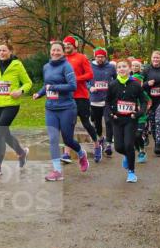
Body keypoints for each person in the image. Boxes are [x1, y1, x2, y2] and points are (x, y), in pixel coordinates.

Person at [33, 40, 88, 181]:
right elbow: (46, 85)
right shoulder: (46, 67)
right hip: (51, 108)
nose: (55, 52)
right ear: (50, 51)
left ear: (63, 52)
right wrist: (39, 93)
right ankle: (57, 171)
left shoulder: (66, 66)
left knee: (68, 140)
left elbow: (72, 86)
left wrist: (54, 88)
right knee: (53, 139)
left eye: (58, 50)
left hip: (66, 108)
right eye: (53, 50)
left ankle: (81, 154)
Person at [0, 42, 32, 176]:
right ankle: (21, 153)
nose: (1, 53)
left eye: (4, 50)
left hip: (11, 104)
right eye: (0, 50)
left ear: (10, 51)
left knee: (0, 133)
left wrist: (20, 91)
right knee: (5, 134)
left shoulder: (17, 65)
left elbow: (28, 83)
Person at [106, 59, 148, 183]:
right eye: (119, 67)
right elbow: (107, 101)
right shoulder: (113, 85)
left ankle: (131, 172)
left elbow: (144, 101)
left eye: (124, 66)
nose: (121, 69)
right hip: (117, 120)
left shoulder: (135, 85)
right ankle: (127, 155)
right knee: (119, 147)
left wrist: (139, 113)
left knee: (129, 145)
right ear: (117, 70)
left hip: (131, 119)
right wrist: (110, 114)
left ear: (129, 69)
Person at [60, 35, 98, 164]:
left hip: (81, 96)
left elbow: (90, 75)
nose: (66, 47)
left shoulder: (81, 57)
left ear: (74, 45)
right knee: (68, 125)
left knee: (86, 123)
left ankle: (97, 145)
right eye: (64, 45)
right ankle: (66, 154)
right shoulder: (62, 59)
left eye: (69, 44)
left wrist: (75, 79)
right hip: (66, 97)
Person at [89, 47, 116, 161]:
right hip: (95, 99)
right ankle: (101, 138)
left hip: (108, 100)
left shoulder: (110, 67)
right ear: (95, 57)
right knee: (97, 123)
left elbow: (116, 78)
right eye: (98, 57)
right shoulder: (90, 66)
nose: (100, 59)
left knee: (109, 121)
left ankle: (109, 144)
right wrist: (90, 87)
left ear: (105, 57)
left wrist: (113, 87)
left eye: (102, 57)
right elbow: (85, 81)